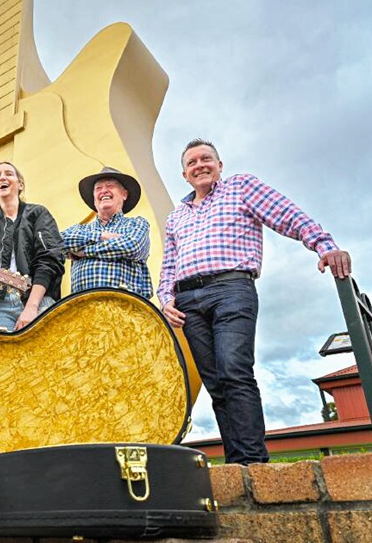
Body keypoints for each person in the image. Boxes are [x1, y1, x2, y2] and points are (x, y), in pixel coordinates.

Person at [158, 138, 352, 465]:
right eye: (192, 163)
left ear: (219, 165)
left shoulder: (241, 187)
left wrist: (324, 246)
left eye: (206, 159)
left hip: (231, 288)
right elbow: (168, 264)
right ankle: (237, 466)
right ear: (184, 174)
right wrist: (166, 299)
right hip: (188, 301)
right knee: (215, 382)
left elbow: (286, 214)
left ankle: (253, 464)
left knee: (234, 370)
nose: (200, 165)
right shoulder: (176, 217)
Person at [0, 161, 64, 332]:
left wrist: (31, 307)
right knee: (0, 357)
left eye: (8, 173)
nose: (2, 177)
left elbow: (49, 260)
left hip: (39, 298)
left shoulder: (38, 213)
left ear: (20, 184)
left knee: (45, 353)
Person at [61, 167, 152, 298]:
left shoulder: (136, 224)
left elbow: (132, 246)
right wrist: (101, 236)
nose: (103, 191)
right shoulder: (80, 229)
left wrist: (84, 252)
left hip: (126, 307)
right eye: (98, 189)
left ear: (124, 194)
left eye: (110, 186)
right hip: (83, 309)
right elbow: (58, 241)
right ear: (94, 198)